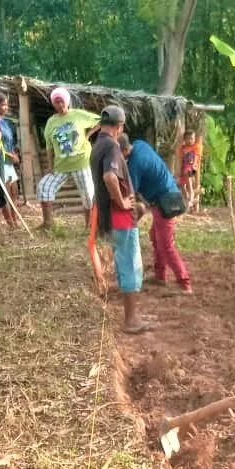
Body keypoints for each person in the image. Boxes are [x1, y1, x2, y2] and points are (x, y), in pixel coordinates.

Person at [90, 106, 153, 333]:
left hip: (110, 217)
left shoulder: (97, 145)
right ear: (119, 126)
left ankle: (132, 314)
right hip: (121, 218)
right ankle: (131, 320)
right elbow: (110, 176)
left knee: (124, 264)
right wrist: (122, 201)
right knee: (130, 266)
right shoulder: (112, 146)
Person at [118, 134, 192, 294]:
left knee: (166, 245)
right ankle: (160, 276)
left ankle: (184, 283)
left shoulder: (135, 165)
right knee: (155, 236)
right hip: (166, 194)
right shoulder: (139, 144)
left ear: (123, 151)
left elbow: (130, 193)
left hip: (165, 201)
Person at [38, 87, 100, 229]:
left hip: (81, 162)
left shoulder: (78, 115)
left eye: (62, 101)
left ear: (67, 101)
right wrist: (50, 166)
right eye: (56, 102)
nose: (59, 105)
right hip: (60, 165)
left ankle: (89, 225)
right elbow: (49, 146)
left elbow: (101, 121)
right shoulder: (51, 122)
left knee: (88, 195)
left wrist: (88, 134)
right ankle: (48, 223)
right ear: (53, 103)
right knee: (44, 187)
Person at [0, 91, 20, 228]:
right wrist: (9, 155)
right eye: (3, 105)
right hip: (0, 160)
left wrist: (15, 155)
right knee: (5, 193)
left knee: (14, 192)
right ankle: (9, 223)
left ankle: (15, 220)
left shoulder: (6, 122)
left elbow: (10, 143)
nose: (6, 108)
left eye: (7, 105)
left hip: (10, 161)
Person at [176, 129, 203, 212]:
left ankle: (191, 193)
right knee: (181, 183)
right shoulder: (182, 149)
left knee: (188, 172)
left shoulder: (196, 147)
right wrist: (179, 172)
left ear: (194, 139)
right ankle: (186, 199)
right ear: (184, 139)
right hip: (184, 170)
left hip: (192, 169)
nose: (190, 140)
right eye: (188, 139)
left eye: (192, 138)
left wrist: (194, 167)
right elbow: (180, 161)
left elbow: (196, 158)